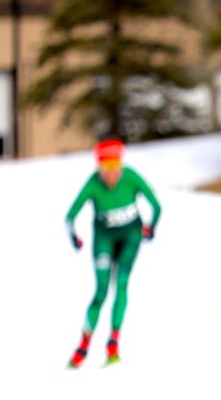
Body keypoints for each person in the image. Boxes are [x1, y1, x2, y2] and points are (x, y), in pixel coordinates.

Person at [65, 139, 161, 367]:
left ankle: (113, 343)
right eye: (105, 170)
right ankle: (83, 345)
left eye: (115, 169)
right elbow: (70, 216)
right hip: (104, 240)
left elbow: (156, 205)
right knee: (100, 291)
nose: (111, 175)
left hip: (130, 238)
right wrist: (74, 238)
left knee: (121, 284)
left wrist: (151, 226)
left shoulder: (130, 177)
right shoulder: (93, 184)